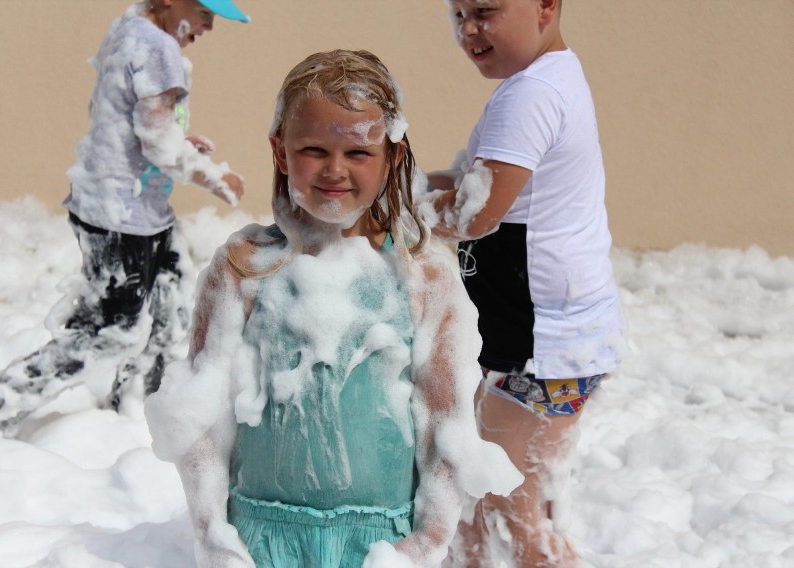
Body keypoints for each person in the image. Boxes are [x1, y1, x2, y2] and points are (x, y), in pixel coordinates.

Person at [143, 49, 522, 568]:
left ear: (391, 154)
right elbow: (200, 423)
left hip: (381, 544)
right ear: (280, 152)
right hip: (258, 537)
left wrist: (425, 544)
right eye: (314, 149)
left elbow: (443, 427)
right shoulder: (243, 267)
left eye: (359, 153)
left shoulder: (424, 277)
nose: (335, 170)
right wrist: (213, 533)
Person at [0, 0, 249, 437]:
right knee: (110, 332)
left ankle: (138, 409)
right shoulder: (158, 48)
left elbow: (123, 118)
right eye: (205, 10)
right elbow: (158, 141)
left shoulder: (130, 29)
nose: (208, 24)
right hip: (121, 216)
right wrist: (212, 174)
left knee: (170, 304)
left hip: (131, 209)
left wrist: (180, 139)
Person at [417, 1, 624, 567]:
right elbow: (474, 182)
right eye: (458, 14)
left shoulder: (528, 95)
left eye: (485, 10)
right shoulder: (553, 76)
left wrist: (391, 211)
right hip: (569, 335)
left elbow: (474, 212)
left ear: (546, 5)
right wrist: (402, 179)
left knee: (502, 494)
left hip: (539, 340)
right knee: (526, 486)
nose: (468, 29)